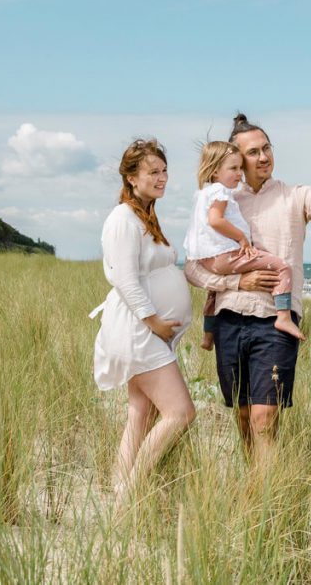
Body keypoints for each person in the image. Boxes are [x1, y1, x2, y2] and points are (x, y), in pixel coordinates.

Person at [185, 113, 311, 462]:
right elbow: (192, 266)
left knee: (265, 418)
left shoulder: (294, 196)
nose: (263, 157)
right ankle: (254, 488)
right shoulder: (221, 200)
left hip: (276, 321)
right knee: (244, 416)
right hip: (230, 318)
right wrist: (235, 281)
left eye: (267, 149)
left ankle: (267, 500)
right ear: (235, 159)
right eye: (253, 152)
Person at [92, 138, 195, 507]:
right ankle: (132, 496)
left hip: (146, 331)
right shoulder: (122, 218)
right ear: (132, 177)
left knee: (141, 412)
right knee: (180, 412)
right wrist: (154, 322)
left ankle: (120, 493)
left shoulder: (145, 215)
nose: (162, 177)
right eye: (153, 171)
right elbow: (125, 278)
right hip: (138, 329)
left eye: (165, 170)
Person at [183, 140, 304, 346]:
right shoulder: (220, 192)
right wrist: (241, 238)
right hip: (226, 256)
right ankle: (283, 317)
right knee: (282, 267)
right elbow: (216, 220)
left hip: (207, 259)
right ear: (214, 172)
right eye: (233, 168)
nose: (239, 174)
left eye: (240, 168)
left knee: (214, 292)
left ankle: (208, 334)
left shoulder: (203, 194)